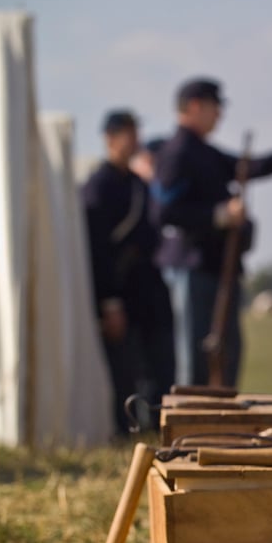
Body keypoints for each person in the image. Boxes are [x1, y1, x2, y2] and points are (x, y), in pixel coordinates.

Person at [153, 77, 272, 387]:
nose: (219, 115)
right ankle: (190, 425)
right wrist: (219, 216)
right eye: (215, 107)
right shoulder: (177, 153)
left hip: (216, 267)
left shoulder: (201, 151)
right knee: (196, 354)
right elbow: (164, 213)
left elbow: (245, 167)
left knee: (225, 351)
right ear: (196, 106)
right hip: (192, 266)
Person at [81, 109, 175, 436]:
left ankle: (160, 430)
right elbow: (98, 249)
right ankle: (129, 433)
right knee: (125, 372)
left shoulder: (137, 184)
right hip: (121, 293)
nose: (134, 140)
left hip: (147, 289)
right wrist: (109, 301)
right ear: (111, 138)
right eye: (128, 133)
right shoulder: (99, 185)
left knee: (159, 367)